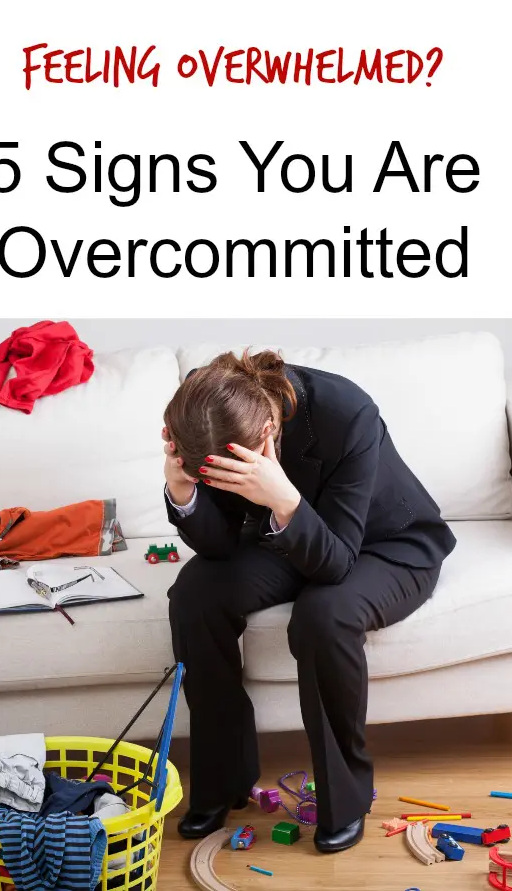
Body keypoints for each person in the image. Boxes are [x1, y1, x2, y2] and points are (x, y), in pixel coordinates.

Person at [162, 350, 456, 853]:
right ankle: (222, 781)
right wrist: (181, 488)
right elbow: (219, 547)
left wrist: (282, 499)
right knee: (194, 596)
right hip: (289, 538)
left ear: (266, 433)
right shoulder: (202, 405)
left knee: (324, 614)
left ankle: (345, 800)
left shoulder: (348, 413)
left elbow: (338, 563)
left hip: (385, 545)